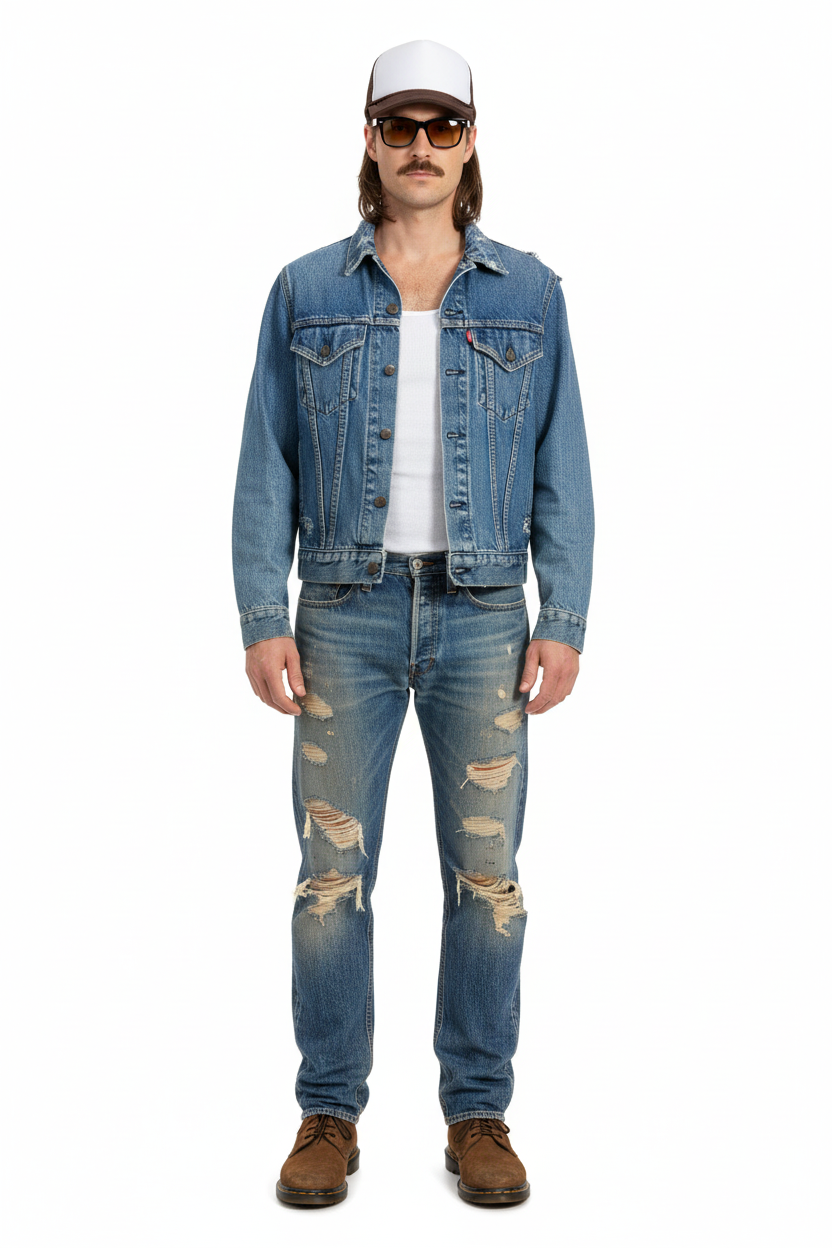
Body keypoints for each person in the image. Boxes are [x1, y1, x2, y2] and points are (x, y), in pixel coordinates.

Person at [232, 38, 594, 1208]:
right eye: (401, 127)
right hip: (342, 613)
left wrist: (563, 614)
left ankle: (477, 1113)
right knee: (329, 878)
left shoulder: (530, 294)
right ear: (371, 141)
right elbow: (266, 460)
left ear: (471, 142)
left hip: (485, 616)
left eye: (444, 127)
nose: (422, 147)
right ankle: (327, 1114)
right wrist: (262, 613)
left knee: (487, 879)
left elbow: (564, 465)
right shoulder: (307, 290)